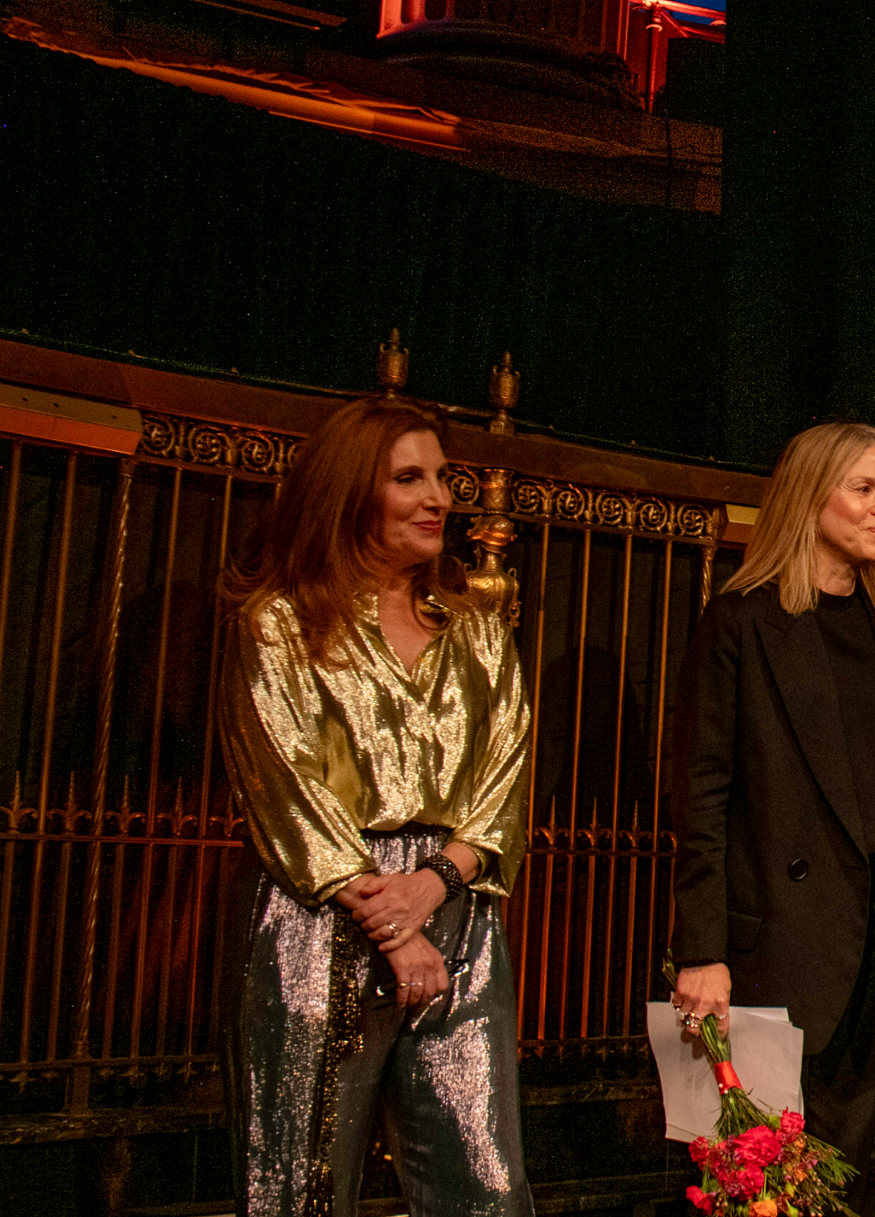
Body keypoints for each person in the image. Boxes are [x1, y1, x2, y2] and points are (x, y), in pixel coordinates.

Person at [217, 397, 535, 1217]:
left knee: (488, 1186)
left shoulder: (477, 628)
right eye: (409, 478)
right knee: (301, 1182)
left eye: (441, 476)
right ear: (351, 491)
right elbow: (286, 787)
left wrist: (433, 883)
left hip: (458, 909)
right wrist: (394, 924)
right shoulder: (279, 624)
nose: (438, 497)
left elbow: (505, 778)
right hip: (323, 915)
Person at [668, 422, 875, 1159]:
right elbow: (702, 793)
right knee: (758, 1178)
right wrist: (702, 949)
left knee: (844, 1178)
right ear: (812, 497)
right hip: (771, 950)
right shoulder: (742, 622)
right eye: (865, 488)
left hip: (870, 952)